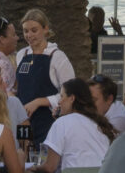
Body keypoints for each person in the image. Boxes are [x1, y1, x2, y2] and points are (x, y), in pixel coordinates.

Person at [12, 8, 77, 144]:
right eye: (25, 31)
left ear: (46, 29)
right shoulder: (21, 55)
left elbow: (71, 93)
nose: (29, 35)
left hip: (48, 121)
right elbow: (19, 88)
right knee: (24, 155)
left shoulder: (58, 57)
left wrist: (39, 102)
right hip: (24, 122)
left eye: (34, 30)